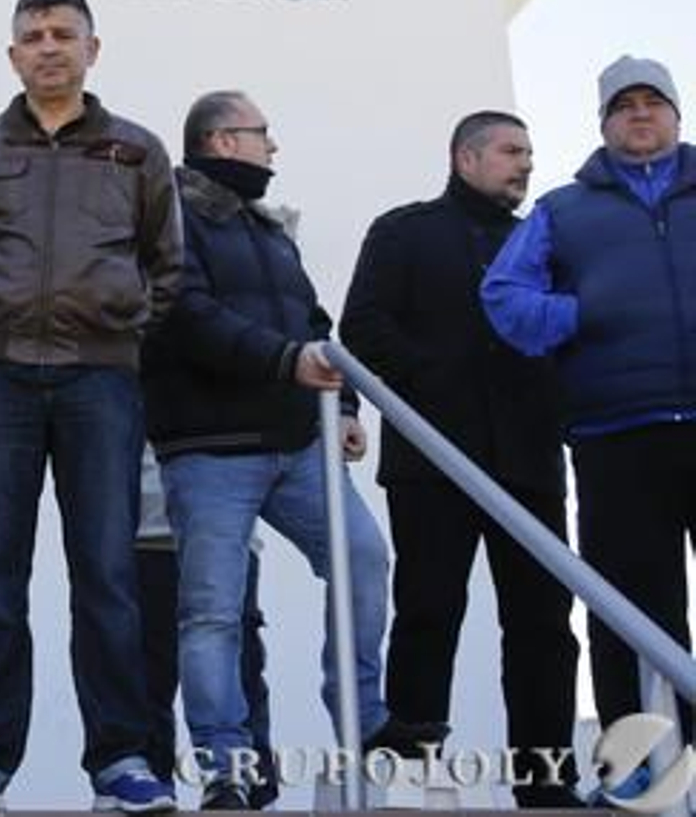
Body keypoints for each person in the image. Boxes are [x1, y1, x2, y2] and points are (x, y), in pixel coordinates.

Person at [142, 89, 444, 809]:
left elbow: (313, 321)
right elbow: (187, 316)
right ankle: (227, 768)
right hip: (210, 450)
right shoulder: (170, 219)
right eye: (260, 133)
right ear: (220, 141)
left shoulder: (270, 231)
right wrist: (287, 364)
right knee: (212, 612)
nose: (272, 146)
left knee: (364, 558)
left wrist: (341, 403)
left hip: (296, 444)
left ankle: (363, 719)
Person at [0, 0, 180, 812]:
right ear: (12, 56)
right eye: (32, 35)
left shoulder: (138, 152)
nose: (48, 46)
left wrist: (123, 325)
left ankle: (122, 761)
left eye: (64, 33)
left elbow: (167, 267)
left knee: (106, 573)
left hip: (99, 382)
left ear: (92, 50)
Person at [342, 111, 582, 807]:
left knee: (543, 627)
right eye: (512, 151)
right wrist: (440, 382)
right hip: (434, 460)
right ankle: (414, 773)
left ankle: (546, 784)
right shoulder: (403, 231)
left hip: (529, 460)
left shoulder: (543, 243)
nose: (526, 164)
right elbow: (364, 328)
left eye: (531, 153)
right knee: (428, 611)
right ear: (466, 157)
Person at [483, 55, 696, 736]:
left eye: (652, 102)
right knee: (631, 607)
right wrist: (577, 315)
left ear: (676, 114)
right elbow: (505, 295)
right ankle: (644, 767)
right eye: (623, 105)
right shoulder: (561, 210)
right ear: (603, 122)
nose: (640, 114)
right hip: (616, 436)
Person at [134, 454, 277, 810]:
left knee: (240, 670)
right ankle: (151, 788)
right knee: (146, 679)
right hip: (142, 535)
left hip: (229, 532)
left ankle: (253, 789)